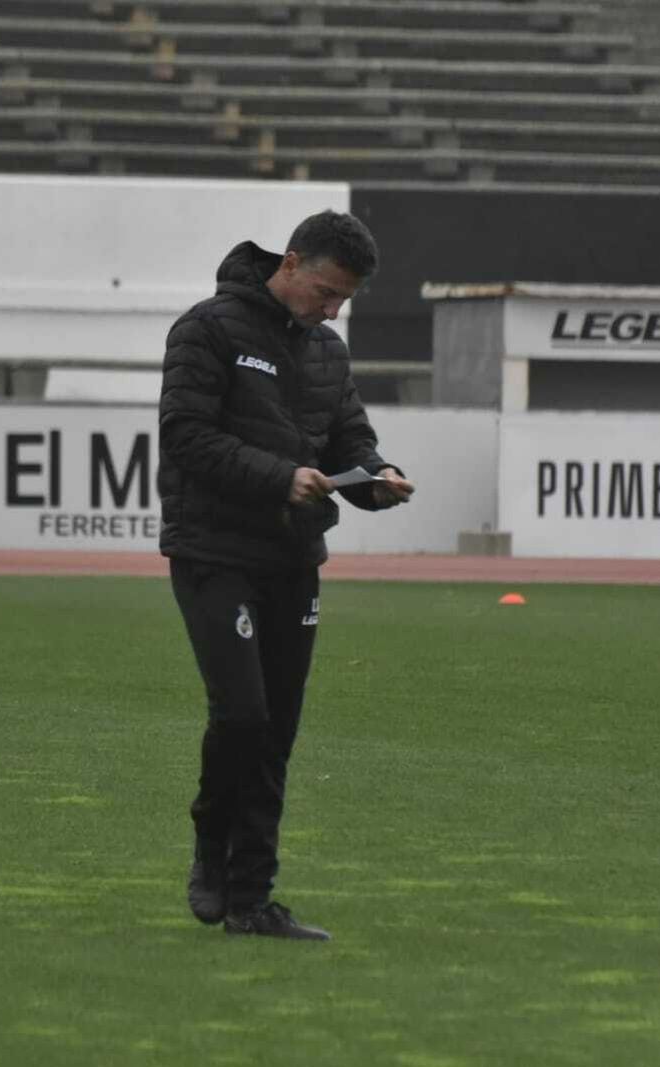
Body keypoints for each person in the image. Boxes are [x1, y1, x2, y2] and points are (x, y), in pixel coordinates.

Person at [158, 210, 415, 941]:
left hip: (292, 558)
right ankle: (211, 838)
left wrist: (379, 479)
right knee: (241, 713)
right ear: (293, 262)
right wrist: (281, 477)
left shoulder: (328, 352)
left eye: (343, 301)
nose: (331, 309)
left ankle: (251, 900)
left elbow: (353, 439)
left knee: (276, 735)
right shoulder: (205, 329)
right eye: (326, 292)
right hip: (213, 548)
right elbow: (185, 433)